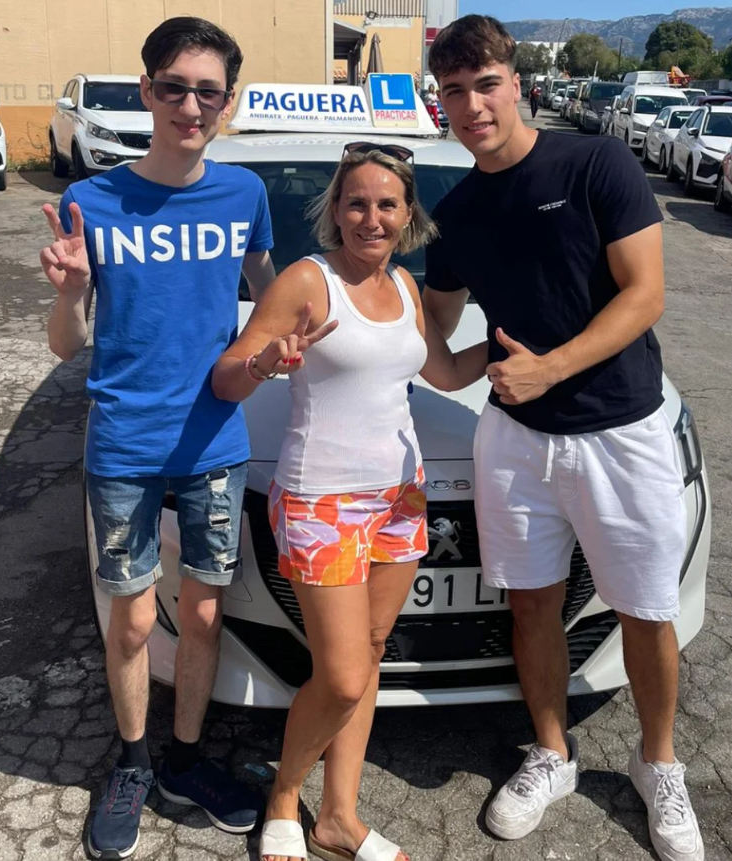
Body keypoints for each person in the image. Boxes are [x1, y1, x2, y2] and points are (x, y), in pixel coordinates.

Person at [424, 15, 703, 861]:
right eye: (452, 91)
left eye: (484, 84)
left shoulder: (594, 162)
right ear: (439, 102)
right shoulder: (458, 208)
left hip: (621, 429)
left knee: (646, 608)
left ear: (515, 81)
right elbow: (436, 337)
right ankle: (551, 752)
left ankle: (659, 766)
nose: (471, 105)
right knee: (530, 600)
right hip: (513, 442)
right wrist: (439, 356)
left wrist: (547, 367)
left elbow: (643, 293)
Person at [40, 17, 275, 860]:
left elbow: (270, 300)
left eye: (206, 91)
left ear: (226, 103)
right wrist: (70, 290)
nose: (189, 104)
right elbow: (68, 345)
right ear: (145, 90)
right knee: (136, 622)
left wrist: (280, 348)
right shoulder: (91, 201)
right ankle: (134, 764)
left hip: (214, 440)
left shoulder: (244, 195)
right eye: (172, 86)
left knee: (206, 615)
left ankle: (184, 762)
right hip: (125, 447)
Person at [212, 142, 488, 861]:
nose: (371, 216)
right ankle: (282, 797)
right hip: (321, 500)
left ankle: (337, 816)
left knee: (366, 655)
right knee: (337, 675)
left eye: (387, 203)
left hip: (399, 497)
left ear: (407, 215)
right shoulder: (309, 281)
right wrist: (266, 362)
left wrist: (513, 345)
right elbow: (225, 377)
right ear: (334, 209)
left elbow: (450, 372)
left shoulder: (404, 288)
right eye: (356, 201)